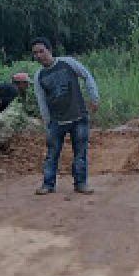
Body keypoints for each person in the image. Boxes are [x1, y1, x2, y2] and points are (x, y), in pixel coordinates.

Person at [31, 38, 100, 195]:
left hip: (78, 117)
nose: (39, 55)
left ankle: (81, 184)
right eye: (35, 53)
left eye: (41, 51)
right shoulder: (39, 76)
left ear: (49, 50)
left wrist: (94, 97)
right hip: (56, 121)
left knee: (80, 153)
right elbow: (41, 100)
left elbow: (87, 76)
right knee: (51, 154)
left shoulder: (67, 63)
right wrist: (47, 122)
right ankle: (48, 185)